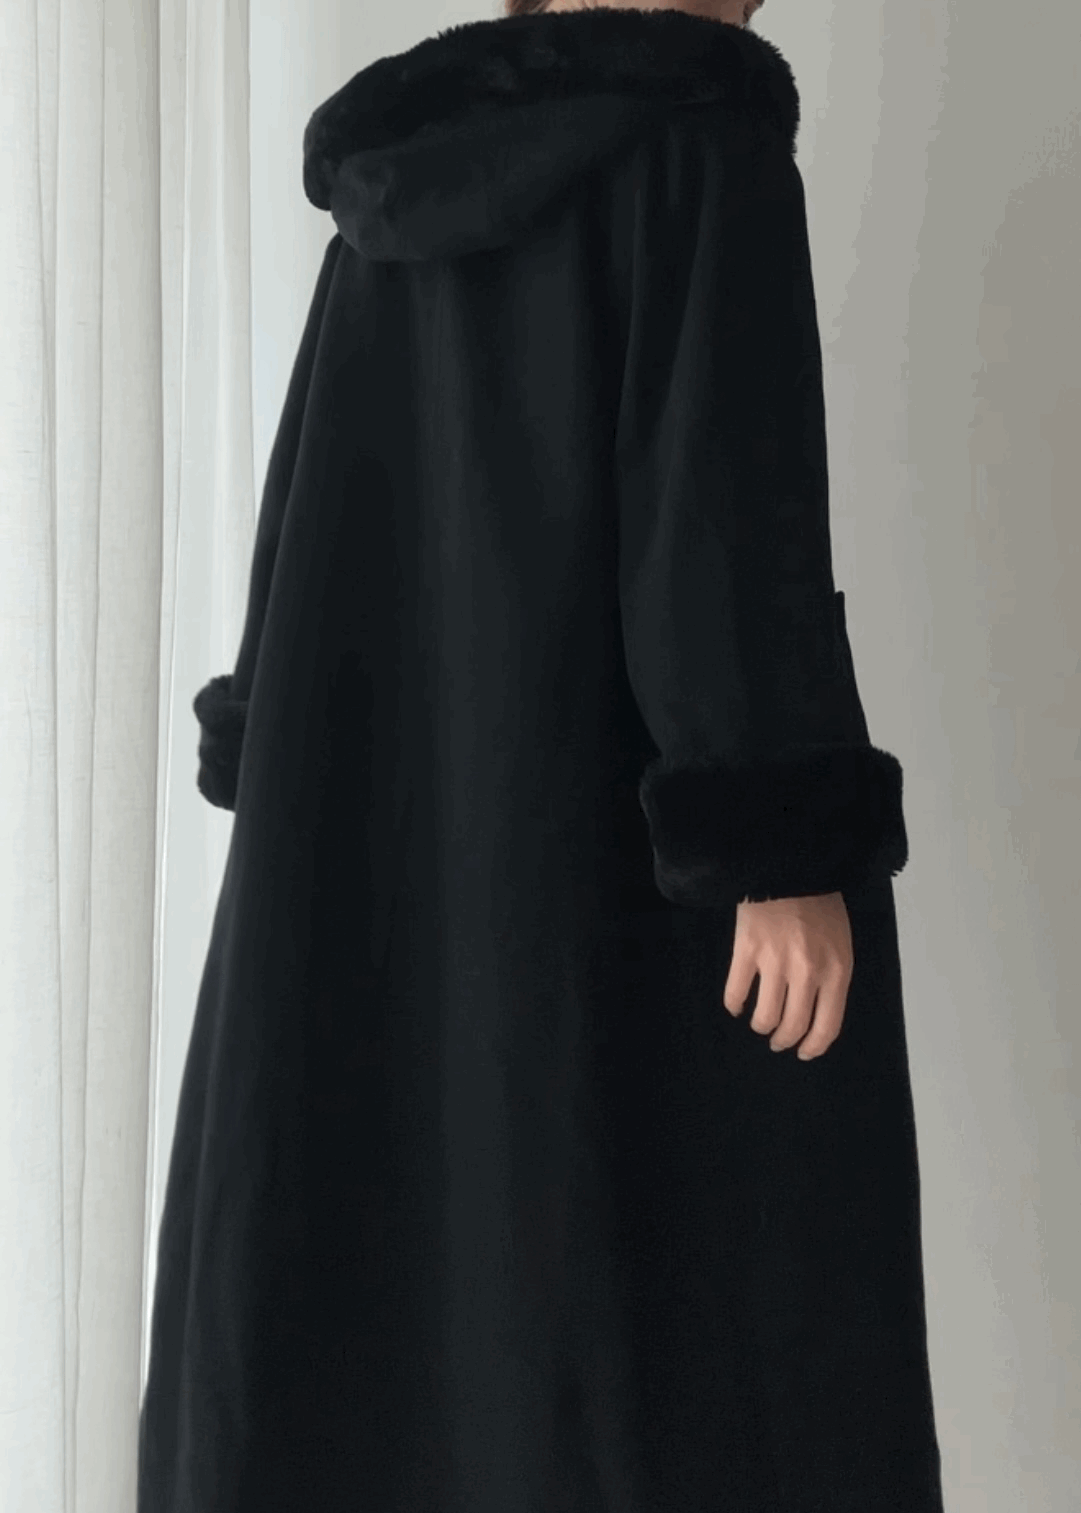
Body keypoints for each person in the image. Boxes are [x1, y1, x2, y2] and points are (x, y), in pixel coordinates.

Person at [138, 3, 946, 1510]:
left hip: (377, 830)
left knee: (402, 1301)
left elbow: (301, 508)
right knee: (687, 1325)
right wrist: (773, 848)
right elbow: (723, 513)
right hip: (623, 851)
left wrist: (280, 758)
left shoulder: (395, 176)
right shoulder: (702, 144)